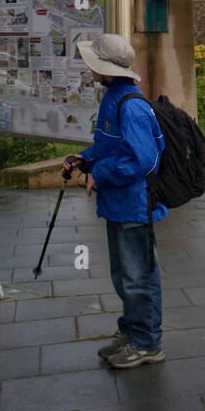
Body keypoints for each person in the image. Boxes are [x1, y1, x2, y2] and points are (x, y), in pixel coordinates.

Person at [65, 33, 166, 369]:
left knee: (139, 277)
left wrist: (102, 172)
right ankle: (133, 332)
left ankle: (148, 342)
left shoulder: (131, 105)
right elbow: (114, 148)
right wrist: (86, 158)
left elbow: (142, 160)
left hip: (134, 207)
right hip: (119, 204)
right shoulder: (114, 97)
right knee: (124, 275)